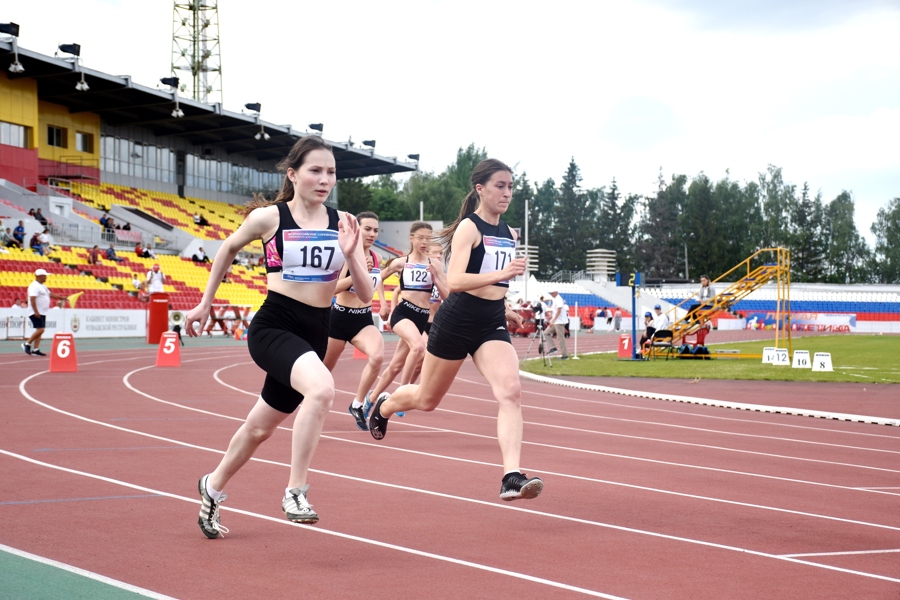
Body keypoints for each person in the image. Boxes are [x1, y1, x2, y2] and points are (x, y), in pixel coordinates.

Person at [183, 135, 372, 537]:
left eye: (331, 172)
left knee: (259, 428)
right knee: (321, 390)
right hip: (274, 326)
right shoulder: (269, 218)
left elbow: (367, 293)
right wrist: (204, 303)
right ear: (293, 174)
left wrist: (353, 253)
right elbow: (227, 249)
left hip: (315, 331)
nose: (325, 180)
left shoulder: (343, 223)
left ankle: (212, 487)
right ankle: (296, 491)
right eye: (315, 170)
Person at [367, 158, 543, 501]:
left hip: (490, 320)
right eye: (500, 186)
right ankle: (385, 405)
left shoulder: (507, 232)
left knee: (511, 390)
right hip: (457, 319)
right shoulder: (469, 228)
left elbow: (491, 280)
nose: (507, 193)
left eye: (510, 186)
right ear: (480, 189)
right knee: (426, 399)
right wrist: (502, 276)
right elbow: (459, 280)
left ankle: (510, 476)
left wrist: (505, 307)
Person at [361, 222, 447, 421]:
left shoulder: (435, 265)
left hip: (421, 317)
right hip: (402, 313)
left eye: (428, 238)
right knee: (418, 347)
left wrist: (436, 279)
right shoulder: (402, 262)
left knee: (396, 365)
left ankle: (370, 399)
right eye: (421, 238)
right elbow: (377, 279)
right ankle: (402, 394)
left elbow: (448, 295)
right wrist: (383, 303)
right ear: (412, 238)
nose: (425, 242)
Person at [322, 211, 390, 430]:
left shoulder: (376, 257)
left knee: (378, 357)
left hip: (363, 319)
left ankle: (358, 404)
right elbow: (332, 288)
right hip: (339, 318)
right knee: (323, 374)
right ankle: (307, 405)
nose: (372, 234)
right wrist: (356, 274)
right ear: (357, 230)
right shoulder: (345, 255)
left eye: (376, 230)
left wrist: (383, 300)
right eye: (367, 229)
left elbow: (376, 278)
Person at [23, 268, 67, 356]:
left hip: (42, 312)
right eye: (45, 276)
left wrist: (61, 297)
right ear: (40, 276)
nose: (46, 277)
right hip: (36, 311)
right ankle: (27, 344)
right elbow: (32, 298)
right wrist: (35, 311)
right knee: (41, 329)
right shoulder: (34, 286)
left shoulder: (42, 286)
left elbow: (50, 294)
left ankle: (36, 349)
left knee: (40, 330)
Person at [545, 288, 569, 360]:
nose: (551, 294)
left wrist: (553, 320)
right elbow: (556, 311)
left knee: (560, 338)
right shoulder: (555, 299)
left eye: (552, 293)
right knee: (546, 333)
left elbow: (559, 311)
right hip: (556, 321)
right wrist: (551, 318)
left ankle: (565, 355)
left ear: (556, 292)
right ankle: (553, 347)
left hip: (560, 321)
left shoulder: (559, 299)